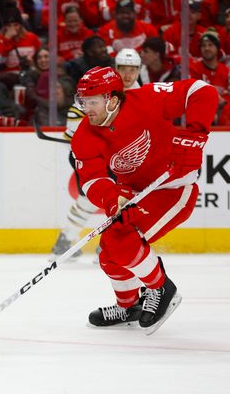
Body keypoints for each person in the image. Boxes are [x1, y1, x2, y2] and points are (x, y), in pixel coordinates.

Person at [70, 67, 217, 333]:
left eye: (93, 102)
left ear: (112, 99)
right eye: (83, 102)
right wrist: (112, 198)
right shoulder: (84, 136)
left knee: (119, 241)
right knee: (108, 254)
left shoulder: (148, 99)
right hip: (135, 195)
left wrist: (196, 134)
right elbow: (91, 179)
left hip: (174, 189)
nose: (86, 109)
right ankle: (129, 307)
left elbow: (201, 91)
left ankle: (161, 288)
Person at [50, 49, 143, 258]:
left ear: (139, 70)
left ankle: (103, 243)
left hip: (126, 159)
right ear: (116, 69)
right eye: (123, 69)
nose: (127, 75)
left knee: (125, 201)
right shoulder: (101, 87)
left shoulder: (143, 95)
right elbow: (76, 119)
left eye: (132, 69)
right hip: (94, 157)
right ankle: (69, 240)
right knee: (93, 198)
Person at [188, 30, 229, 115]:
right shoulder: (194, 68)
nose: (207, 48)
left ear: (217, 48)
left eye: (210, 45)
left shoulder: (226, 70)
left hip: (223, 113)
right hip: (201, 110)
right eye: (203, 46)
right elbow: (192, 94)